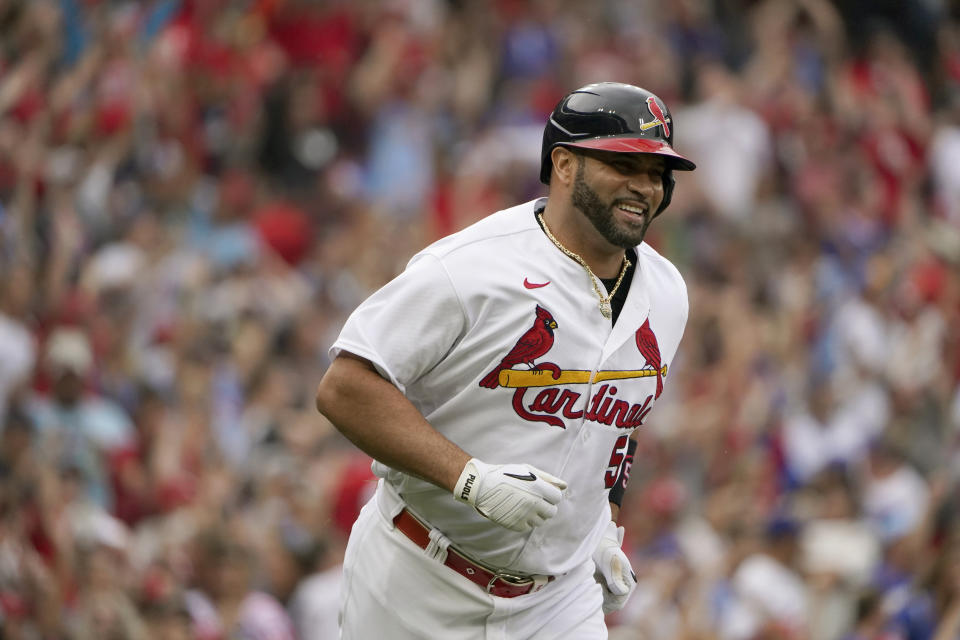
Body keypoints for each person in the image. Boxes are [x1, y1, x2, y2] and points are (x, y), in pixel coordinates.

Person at [315, 82, 696, 639]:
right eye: (625, 166)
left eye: (658, 173)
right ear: (564, 165)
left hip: (557, 602)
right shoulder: (471, 267)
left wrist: (603, 527)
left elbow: (620, 419)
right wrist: (469, 478)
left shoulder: (667, 292)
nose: (645, 187)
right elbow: (345, 386)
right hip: (418, 575)